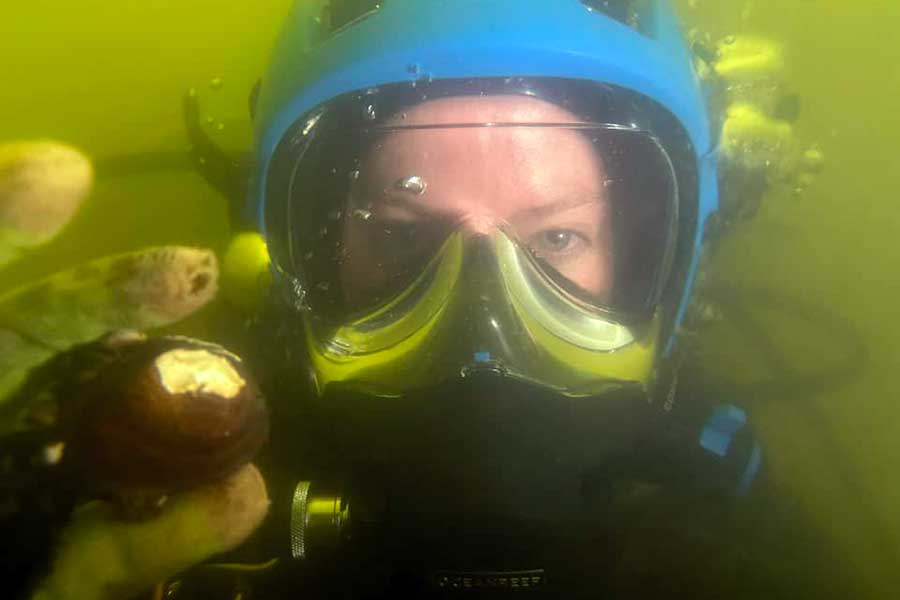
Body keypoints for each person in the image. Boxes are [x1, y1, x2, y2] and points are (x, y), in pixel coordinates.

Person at [6, 1, 860, 598]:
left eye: (557, 240)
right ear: (301, 248)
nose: (482, 331)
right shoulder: (160, 472)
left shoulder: (720, 490)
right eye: (401, 236)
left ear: (660, 263)